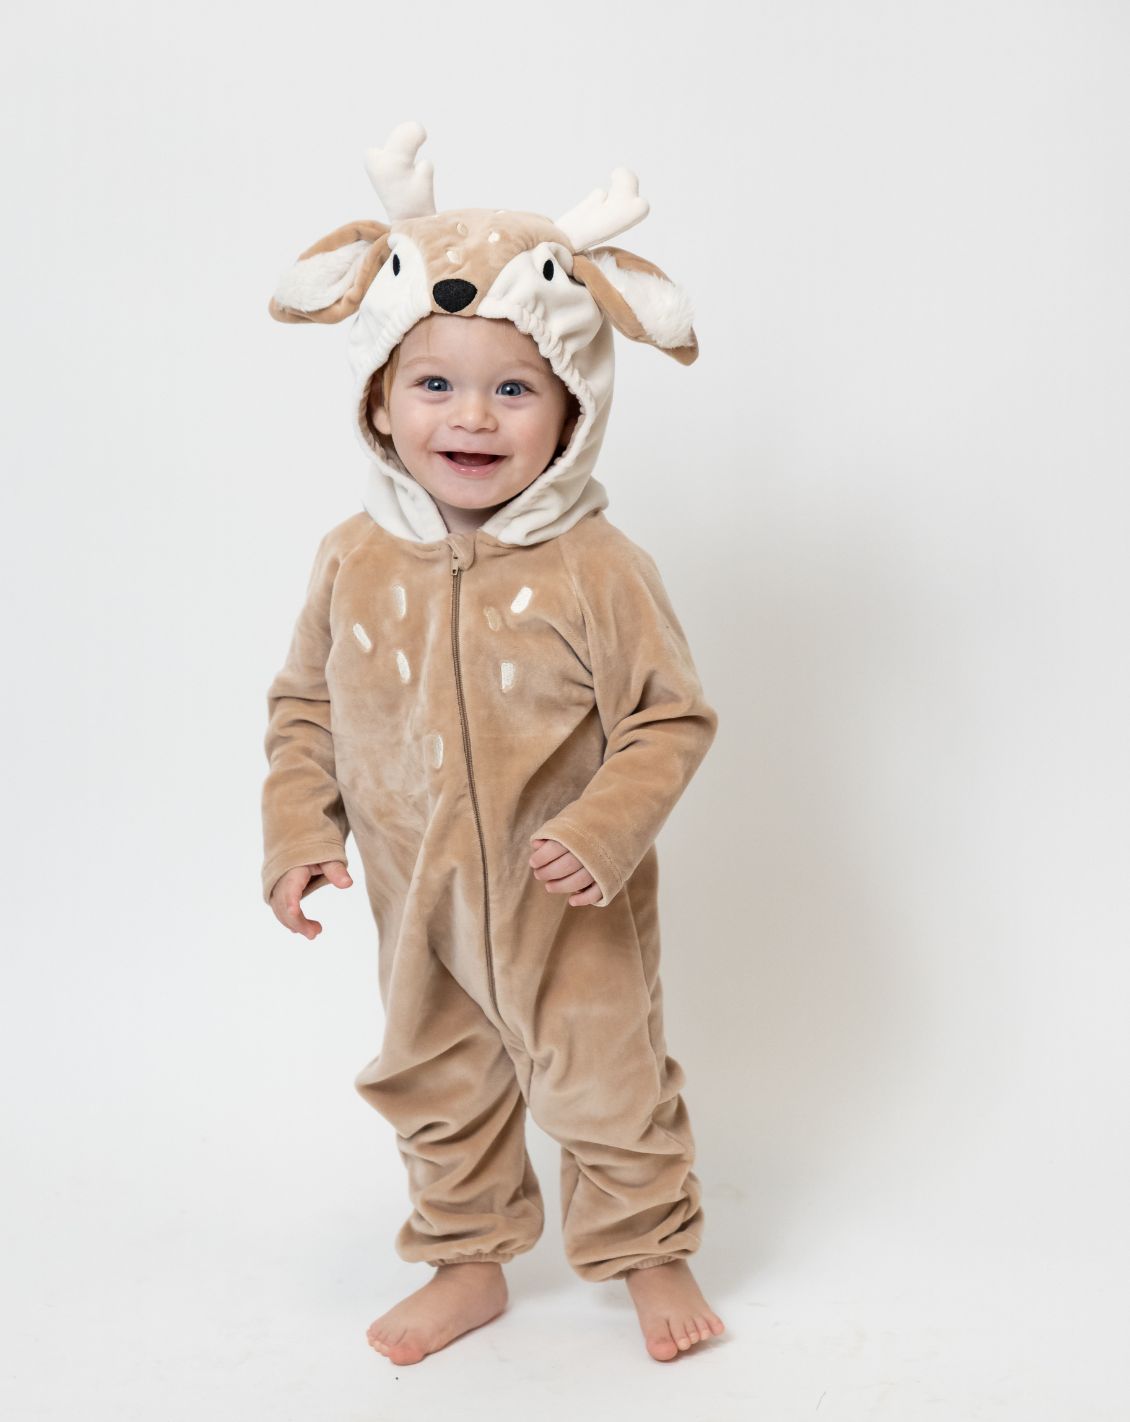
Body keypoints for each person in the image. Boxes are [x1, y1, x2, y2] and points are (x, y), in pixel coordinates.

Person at [260, 121, 726, 1365]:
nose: (471, 416)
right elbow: (303, 707)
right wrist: (298, 831)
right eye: (434, 384)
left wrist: (601, 831)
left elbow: (668, 717)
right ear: (378, 397)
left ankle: (650, 1250)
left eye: (513, 389)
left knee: (605, 1081)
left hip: (563, 899)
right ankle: (466, 1263)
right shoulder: (352, 560)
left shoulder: (597, 567)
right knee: (435, 1081)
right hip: (417, 898)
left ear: (572, 406)